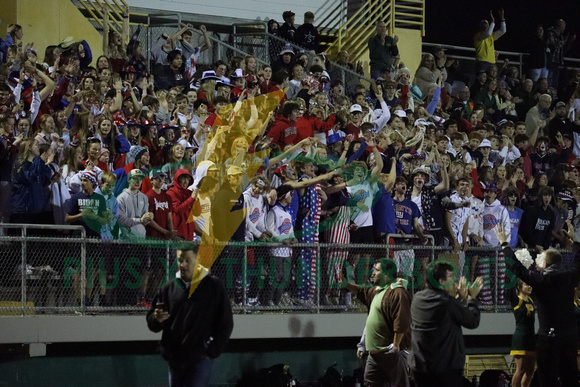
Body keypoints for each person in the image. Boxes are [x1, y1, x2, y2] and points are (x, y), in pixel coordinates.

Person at [498, 225, 580, 387]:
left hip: (548, 340)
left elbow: (517, 268)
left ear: (544, 263)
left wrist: (504, 245)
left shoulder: (541, 281)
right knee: (571, 378)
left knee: (548, 380)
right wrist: (574, 241)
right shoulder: (569, 276)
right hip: (570, 338)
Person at [146, 246, 234, 387]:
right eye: (180, 260)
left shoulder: (214, 286)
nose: (183, 264)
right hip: (175, 359)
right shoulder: (168, 287)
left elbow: (225, 323)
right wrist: (156, 319)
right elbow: (153, 321)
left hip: (200, 359)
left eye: (187, 260)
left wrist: (211, 350)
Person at [409, 261, 484, 386]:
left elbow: (444, 314)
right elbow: (473, 321)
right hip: (445, 371)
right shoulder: (448, 303)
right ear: (441, 281)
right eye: (451, 278)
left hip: (420, 369)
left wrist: (460, 298)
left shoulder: (417, 298)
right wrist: (471, 297)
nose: (454, 282)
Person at [343, 260, 412, 387]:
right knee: (370, 382)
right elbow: (360, 291)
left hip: (390, 352)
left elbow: (402, 320)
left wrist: (395, 346)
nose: (373, 273)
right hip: (374, 354)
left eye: (377, 270)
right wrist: (345, 283)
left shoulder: (398, 292)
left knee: (399, 384)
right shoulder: (377, 291)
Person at [508, 279, 536, 387]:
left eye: (530, 284)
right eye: (526, 284)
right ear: (519, 287)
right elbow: (509, 289)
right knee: (520, 369)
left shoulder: (530, 300)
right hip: (520, 338)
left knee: (530, 371)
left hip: (531, 337)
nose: (529, 286)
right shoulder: (517, 300)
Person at [473, 9, 506, 73]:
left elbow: (503, 31)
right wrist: (493, 22)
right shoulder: (478, 36)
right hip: (482, 61)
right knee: (482, 80)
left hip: (492, 62)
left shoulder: (492, 36)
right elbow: (487, 34)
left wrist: (502, 19)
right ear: (480, 26)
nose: (485, 25)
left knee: (491, 81)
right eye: (483, 23)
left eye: (487, 24)